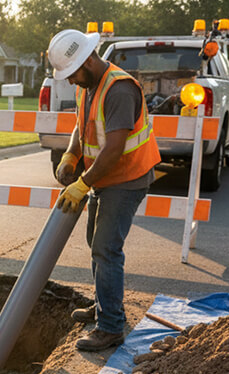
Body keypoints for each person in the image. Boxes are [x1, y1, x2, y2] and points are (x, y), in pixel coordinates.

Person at [47, 30, 161, 351]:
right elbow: (81, 126)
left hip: (126, 177)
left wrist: (83, 184)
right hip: (105, 176)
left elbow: (113, 150)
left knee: (106, 248)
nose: (70, 82)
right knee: (95, 242)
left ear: (87, 60)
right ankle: (103, 306)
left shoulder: (119, 90)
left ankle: (111, 327)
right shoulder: (90, 85)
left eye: (72, 74)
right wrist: (71, 155)